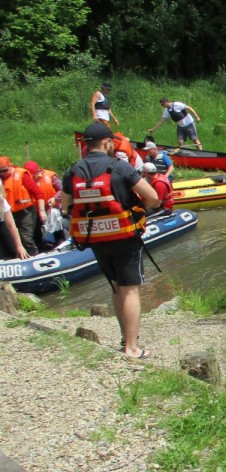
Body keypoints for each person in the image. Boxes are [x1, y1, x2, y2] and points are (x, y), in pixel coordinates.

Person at [61, 123, 160, 359]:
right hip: (124, 235)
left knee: (116, 286)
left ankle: (126, 338)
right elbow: (154, 197)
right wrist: (139, 209)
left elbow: (66, 206)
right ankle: (132, 348)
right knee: (130, 290)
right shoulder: (119, 167)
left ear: (86, 144)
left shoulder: (72, 171)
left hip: (95, 238)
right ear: (106, 142)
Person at [0, 156, 45, 256]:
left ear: (10, 166)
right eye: (0, 171)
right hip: (9, 213)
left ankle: (33, 256)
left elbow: (38, 193)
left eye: (4, 170)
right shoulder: (1, 180)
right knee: (10, 238)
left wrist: (42, 211)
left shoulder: (22, 175)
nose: (2, 173)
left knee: (26, 237)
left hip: (26, 212)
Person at [23, 161, 63, 249]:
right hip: (36, 209)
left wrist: (55, 198)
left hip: (52, 206)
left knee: (55, 219)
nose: (35, 176)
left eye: (35, 174)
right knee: (36, 228)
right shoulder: (26, 180)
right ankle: (40, 245)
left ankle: (60, 242)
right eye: (32, 175)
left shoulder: (51, 176)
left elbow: (62, 190)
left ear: (39, 171)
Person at [0, 190, 29, 260]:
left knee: (11, 250)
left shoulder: (2, 201)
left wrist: (19, 246)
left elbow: (11, 225)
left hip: (1, 224)